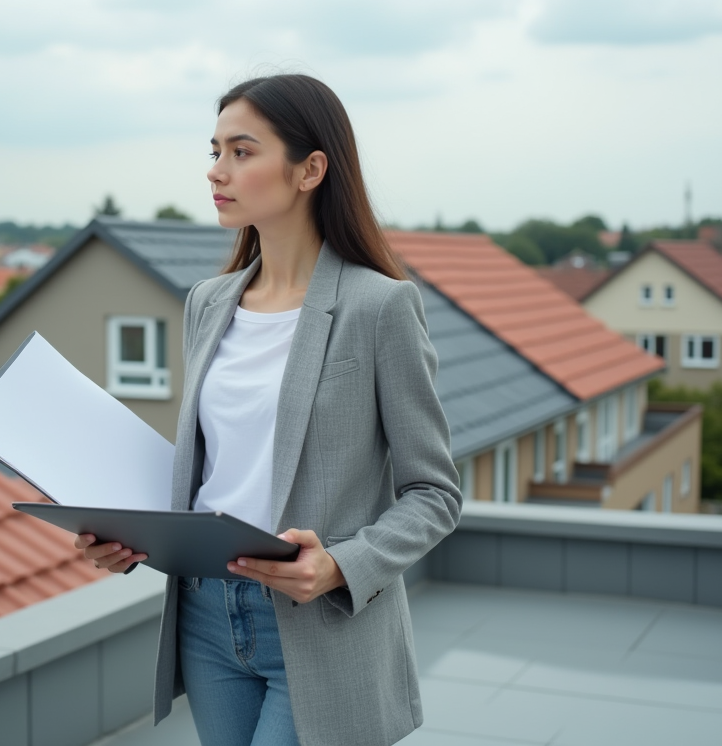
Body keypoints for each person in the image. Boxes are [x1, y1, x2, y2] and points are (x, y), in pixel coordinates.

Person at [74, 74, 462, 746]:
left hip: (319, 625)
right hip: (204, 613)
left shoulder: (380, 307)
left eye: (241, 152)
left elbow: (434, 494)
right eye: (215, 150)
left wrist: (340, 563)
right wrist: (130, 537)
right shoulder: (208, 302)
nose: (215, 171)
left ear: (311, 169)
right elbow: (209, 474)